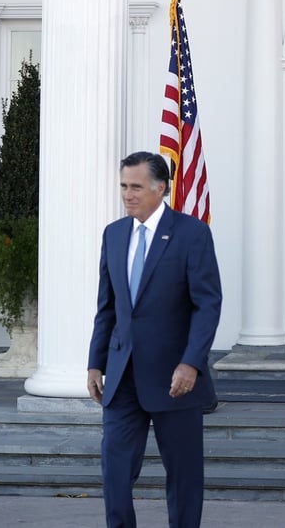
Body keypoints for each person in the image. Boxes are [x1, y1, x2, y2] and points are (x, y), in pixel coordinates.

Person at [87, 151, 222, 528]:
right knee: (115, 470)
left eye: (136, 187)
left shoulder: (192, 234)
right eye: (123, 186)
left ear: (160, 188)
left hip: (175, 378)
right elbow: (107, 306)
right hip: (122, 377)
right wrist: (95, 363)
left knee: (183, 475)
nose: (127, 194)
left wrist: (191, 363)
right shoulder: (114, 234)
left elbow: (207, 305)